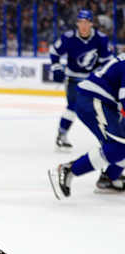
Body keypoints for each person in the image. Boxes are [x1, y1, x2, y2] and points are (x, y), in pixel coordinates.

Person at [48, 54, 125, 199]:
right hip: (93, 100)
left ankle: (109, 179)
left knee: (120, 146)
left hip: (102, 102)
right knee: (118, 147)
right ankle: (67, 170)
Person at [49, 9, 113, 152]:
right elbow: (54, 52)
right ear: (77, 23)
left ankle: (107, 140)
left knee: (101, 110)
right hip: (73, 79)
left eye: (86, 22)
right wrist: (56, 67)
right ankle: (62, 135)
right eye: (81, 22)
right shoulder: (68, 37)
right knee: (73, 106)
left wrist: (102, 75)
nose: (83, 25)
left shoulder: (101, 39)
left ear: (91, 24)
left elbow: (107, 61)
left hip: (93, 81)